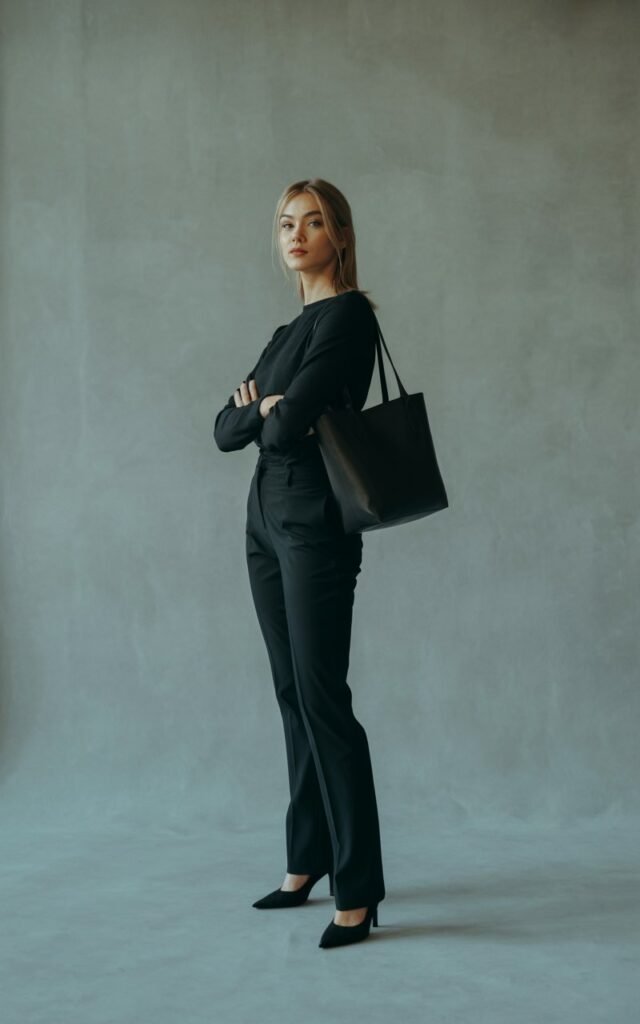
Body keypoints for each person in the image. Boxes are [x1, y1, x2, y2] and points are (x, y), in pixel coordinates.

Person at [213, 178, 386, 949]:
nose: (297, 234)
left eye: (314, 222)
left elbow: (282, 434)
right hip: (263, 519)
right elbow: (226, 428)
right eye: (286, 222)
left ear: (339, 236)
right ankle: (306, 861)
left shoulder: (348, 317)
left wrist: (268, 411)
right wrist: (264, 407)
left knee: (322, 700)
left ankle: (359, 888)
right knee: (290, 693)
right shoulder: (290, 327)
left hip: (315, 520)